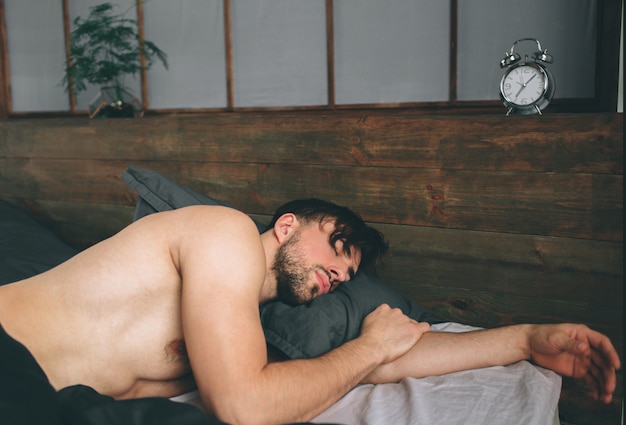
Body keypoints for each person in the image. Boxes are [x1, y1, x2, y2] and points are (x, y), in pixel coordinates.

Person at [0, 199, 620, 425]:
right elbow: (244, 406)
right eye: (338, 247)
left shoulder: (252, 328)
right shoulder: (225, 235)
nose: (340, 275)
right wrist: (369, 346)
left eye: (349, 275)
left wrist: (523, 340)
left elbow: (368, 367)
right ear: (288, 225)